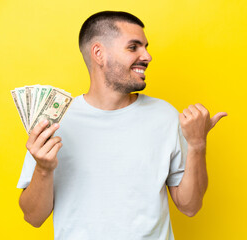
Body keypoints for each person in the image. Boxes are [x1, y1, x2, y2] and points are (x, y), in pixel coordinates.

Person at [17, 11, 227, 240]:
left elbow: (190, 206)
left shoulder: (165, 116)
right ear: (99, 53)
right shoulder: (56, 119)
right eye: (133, 47)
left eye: (146, 46)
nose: (147, 56)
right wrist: (43, 168)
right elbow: (33, 218)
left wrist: (197, 144)